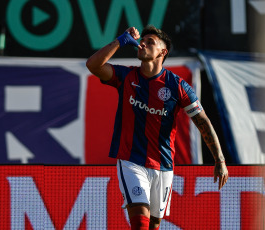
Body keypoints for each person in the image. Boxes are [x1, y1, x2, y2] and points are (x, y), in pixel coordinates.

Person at [86, 25, 228, 230]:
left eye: (150, 42)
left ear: (163, 52)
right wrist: (120, 41)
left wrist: (219, 159)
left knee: (153, 226)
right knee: (140, 221)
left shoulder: (177, 86)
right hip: (131, 160)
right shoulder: (127, 77)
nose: (142, 43)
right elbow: (93, 65)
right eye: (142, 41)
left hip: (163, 165)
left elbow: (202, 121)